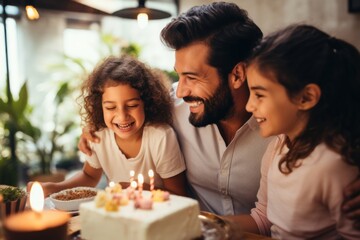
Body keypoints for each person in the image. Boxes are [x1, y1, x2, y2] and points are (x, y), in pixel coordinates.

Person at [78, 1, 360, 219]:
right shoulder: (169, 107)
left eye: (192, 77)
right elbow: (124, 116)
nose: (180, 90)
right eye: (179, 76)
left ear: (237, 75)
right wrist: (94, 129)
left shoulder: (288, 124)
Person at [226, 24, 360, 239]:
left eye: (260, 95)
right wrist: (196, 221)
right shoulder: (277, 147)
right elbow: (263, 218)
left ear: (306, 98)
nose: (250, 106)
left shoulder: (332, 165)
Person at [28, 55, 187, 197]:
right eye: (111, 108)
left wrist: (139, 189)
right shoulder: (98, 136)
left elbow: (179, 195)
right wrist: (55, 187)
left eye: (132, 105)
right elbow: (89, 176)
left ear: (147, 102)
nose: (122, 116)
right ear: (99, 107)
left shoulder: (161, 137)